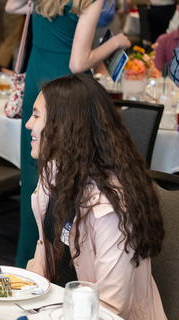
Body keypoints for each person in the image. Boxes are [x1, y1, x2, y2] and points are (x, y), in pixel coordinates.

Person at [25, 73, 166, 319]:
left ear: (64, 127)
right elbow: (46, 248)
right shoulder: (55, 170)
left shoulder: (110, 210)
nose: (28, 123)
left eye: (36, 115)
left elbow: (110, 309)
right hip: (56, 307)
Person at [6, 0, 131, 268]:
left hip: (36, 84)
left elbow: (11, 6)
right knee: (71, 176)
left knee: (35, 174)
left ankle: (30, 261)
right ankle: (68, 265)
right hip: (65, 92)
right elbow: (77, 63)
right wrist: (116, 42)